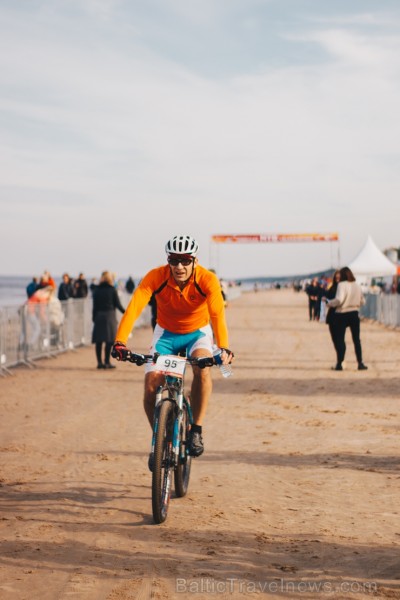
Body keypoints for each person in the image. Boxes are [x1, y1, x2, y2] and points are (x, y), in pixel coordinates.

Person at [111, 234, 234, 462]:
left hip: (197, 334)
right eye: (174, 260)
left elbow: (217, 315)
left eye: (185, 260)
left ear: (194, 261)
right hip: (165, 334)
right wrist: (120, 341)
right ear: (168, 260)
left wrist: (224, 347)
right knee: (150, 387)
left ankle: (196, 429)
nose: (179, 266)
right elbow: (134, 307)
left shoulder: (207, 279)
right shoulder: (156, 277)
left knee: (202, 368)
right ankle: (160, 440)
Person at [325, 266, 368, 371]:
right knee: (356, 340)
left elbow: (339, 300)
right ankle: (360, 363)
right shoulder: (357, 286)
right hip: (354, 313)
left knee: (340, 340)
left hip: (342, 313)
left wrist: (329, 303)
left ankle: (340, 363)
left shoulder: (341, 285)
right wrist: (355, 304)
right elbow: (363, 301)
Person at [92, 271, 125, 369]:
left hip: (99, 316)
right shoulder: (112, 290)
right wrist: (128, 313)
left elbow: (95, 306)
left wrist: (94, 318)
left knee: (99, 341)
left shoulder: (96, 290)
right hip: (110, 316)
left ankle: (99, 363)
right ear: (110, 279)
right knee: (109, 341)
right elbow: (118, 305)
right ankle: (107, 362)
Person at [323, 270, 341, 354]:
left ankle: (341, 359)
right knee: (334, 338)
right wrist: (325, 300)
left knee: (340, 338)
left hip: (341, 314)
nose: (337, 279)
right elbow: (327, 297)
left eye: (339, 277)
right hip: (332, 315)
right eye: (336, 277)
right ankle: (340, 358)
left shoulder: (343, 288)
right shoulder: (332, 287)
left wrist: (329, 302)